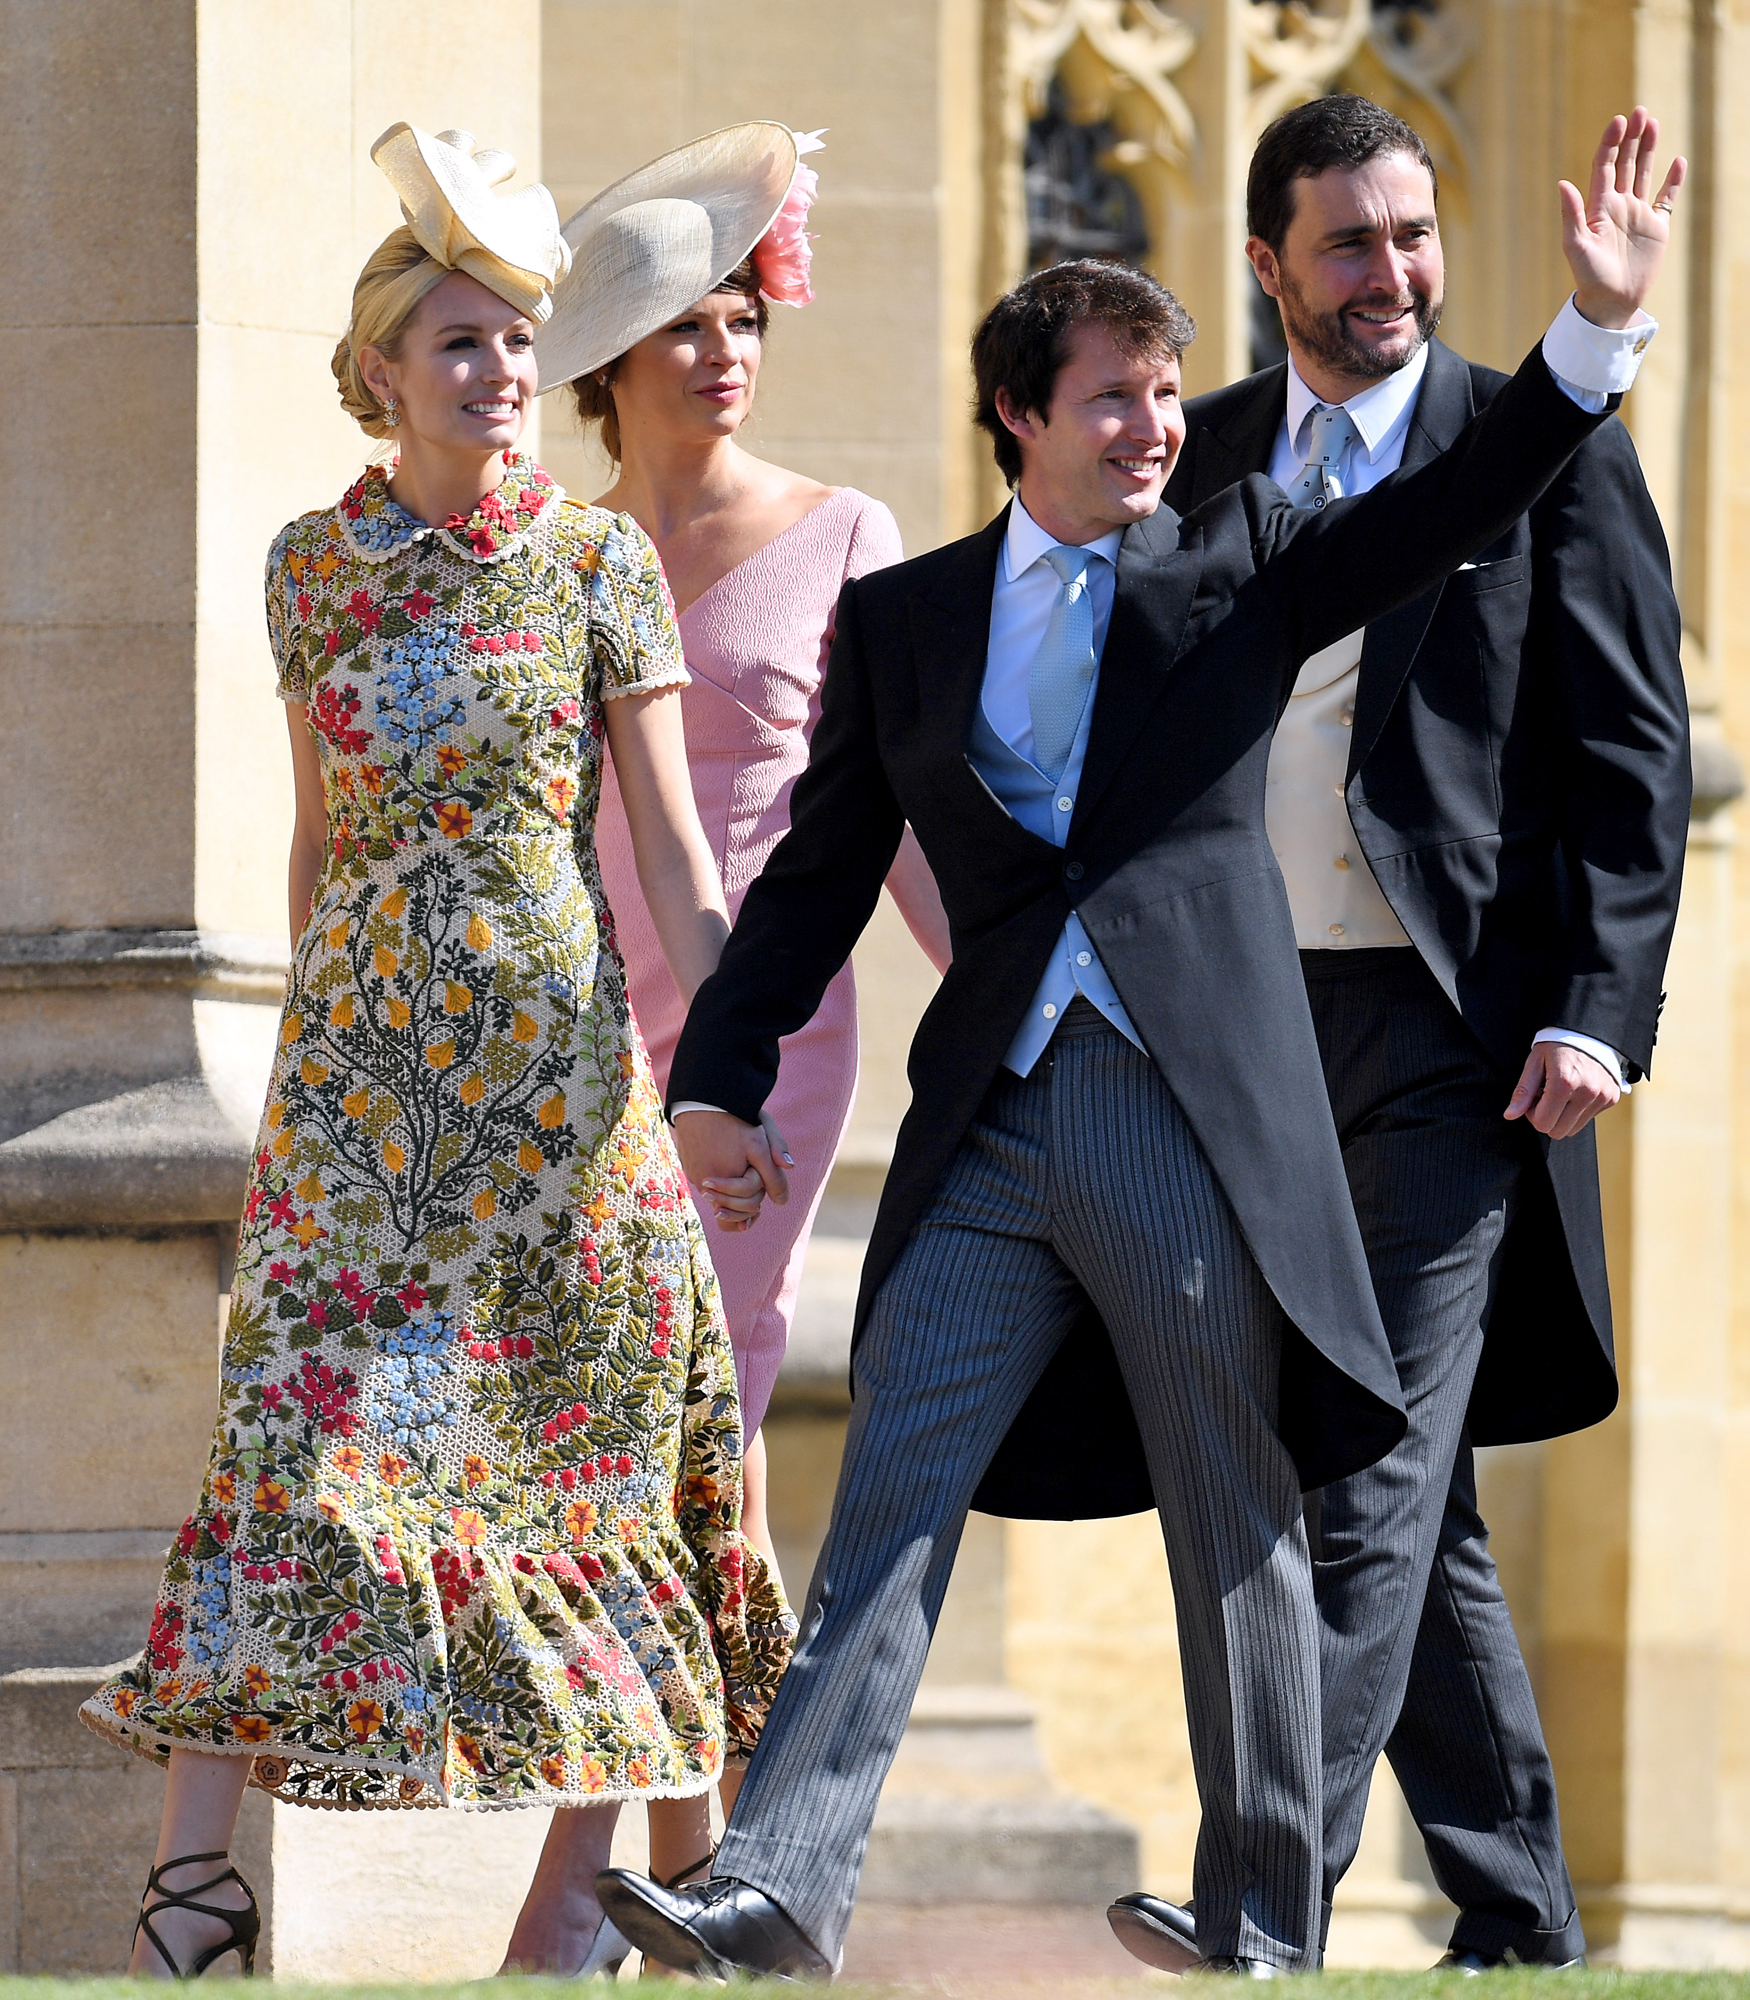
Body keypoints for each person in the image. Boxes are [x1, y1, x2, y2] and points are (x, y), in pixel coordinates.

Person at [591, 110, 1684, 1982]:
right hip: (996, 1118)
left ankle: (1268, 1910)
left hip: (1193, 1118)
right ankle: (777, 1881)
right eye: (1115, 399)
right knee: (890, 1491)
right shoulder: (907, 620)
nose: (1159, 429)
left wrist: (1590, 337)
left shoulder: (1240, 566)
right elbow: (814, 873)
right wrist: (718, 1071)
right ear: (1018, 414)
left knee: (1245, 1515)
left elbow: (1446, 503)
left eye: (1170, 396)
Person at [77, 124, 790, 1981]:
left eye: (515, 345)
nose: (498, 378)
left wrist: (721, 1062)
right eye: (459, 344)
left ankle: (630, 1897)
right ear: (382, 369)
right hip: (365, 1098)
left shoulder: (598, 563)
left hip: (561, 1092)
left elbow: (670, 856)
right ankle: (193, 1897)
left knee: (620, 1445)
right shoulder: (310, 571)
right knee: (304, 1441)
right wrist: (310, 1063)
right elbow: (320, 842)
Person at [1106, 96, 1691, 1978]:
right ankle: (1517, 1923)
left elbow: (1631, 750)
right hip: (1244, 1044)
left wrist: (1599, 1016)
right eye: (1349, 242)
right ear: (1266, 263)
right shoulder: (1181, 462)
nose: (1393, 274)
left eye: (1417, 235)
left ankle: (1263, 1903)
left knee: (1353, 1468)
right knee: (1395, 1497)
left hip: (1457, 1042)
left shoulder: (1540, 444)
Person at [543, 120, 949, 1562]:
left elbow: (903, 804)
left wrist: (1013, 988)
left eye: (745, 320)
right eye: (687, 328)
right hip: (572, 1018)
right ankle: (687, 1758)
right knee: (600, 1383)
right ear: (609, 363)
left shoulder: (845, 528)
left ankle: (723, 1771)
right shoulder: (548, 553)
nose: (727, 352)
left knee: (715, 1369)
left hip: (768, 1013)